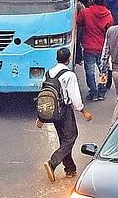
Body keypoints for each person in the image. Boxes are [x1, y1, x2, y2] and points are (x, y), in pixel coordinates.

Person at [39, 48, 92, 183]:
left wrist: (41, 117)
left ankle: (69, 169)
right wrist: (83, 111)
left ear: (56, 58)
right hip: (65, 110)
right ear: (68, 59)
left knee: (64, 139)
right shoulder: (69, 75)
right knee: (71, 137)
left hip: (53, 110)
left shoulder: (48, 73)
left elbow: (44, 93)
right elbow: (74, 95)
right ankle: (52, 162)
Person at [77, 0, 114, 101]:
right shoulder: (108, 14)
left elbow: (79, 22)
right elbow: (110, 29)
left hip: (88, 46)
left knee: (90, 71)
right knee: (103, 70)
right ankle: (101, 91)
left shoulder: (86, 12)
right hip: (102, 47)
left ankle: (93, 92)